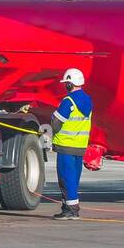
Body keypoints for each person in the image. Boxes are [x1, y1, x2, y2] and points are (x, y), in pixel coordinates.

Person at [51, 68, 93, 220]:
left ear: (69, 84)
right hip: (80, 146)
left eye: (66, 83)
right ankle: (71, 207)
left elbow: (56, 123)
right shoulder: (88, 100)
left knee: (65, 178)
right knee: (73, 178)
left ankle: (70, 210)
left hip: (66, 146)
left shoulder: (68, 101)